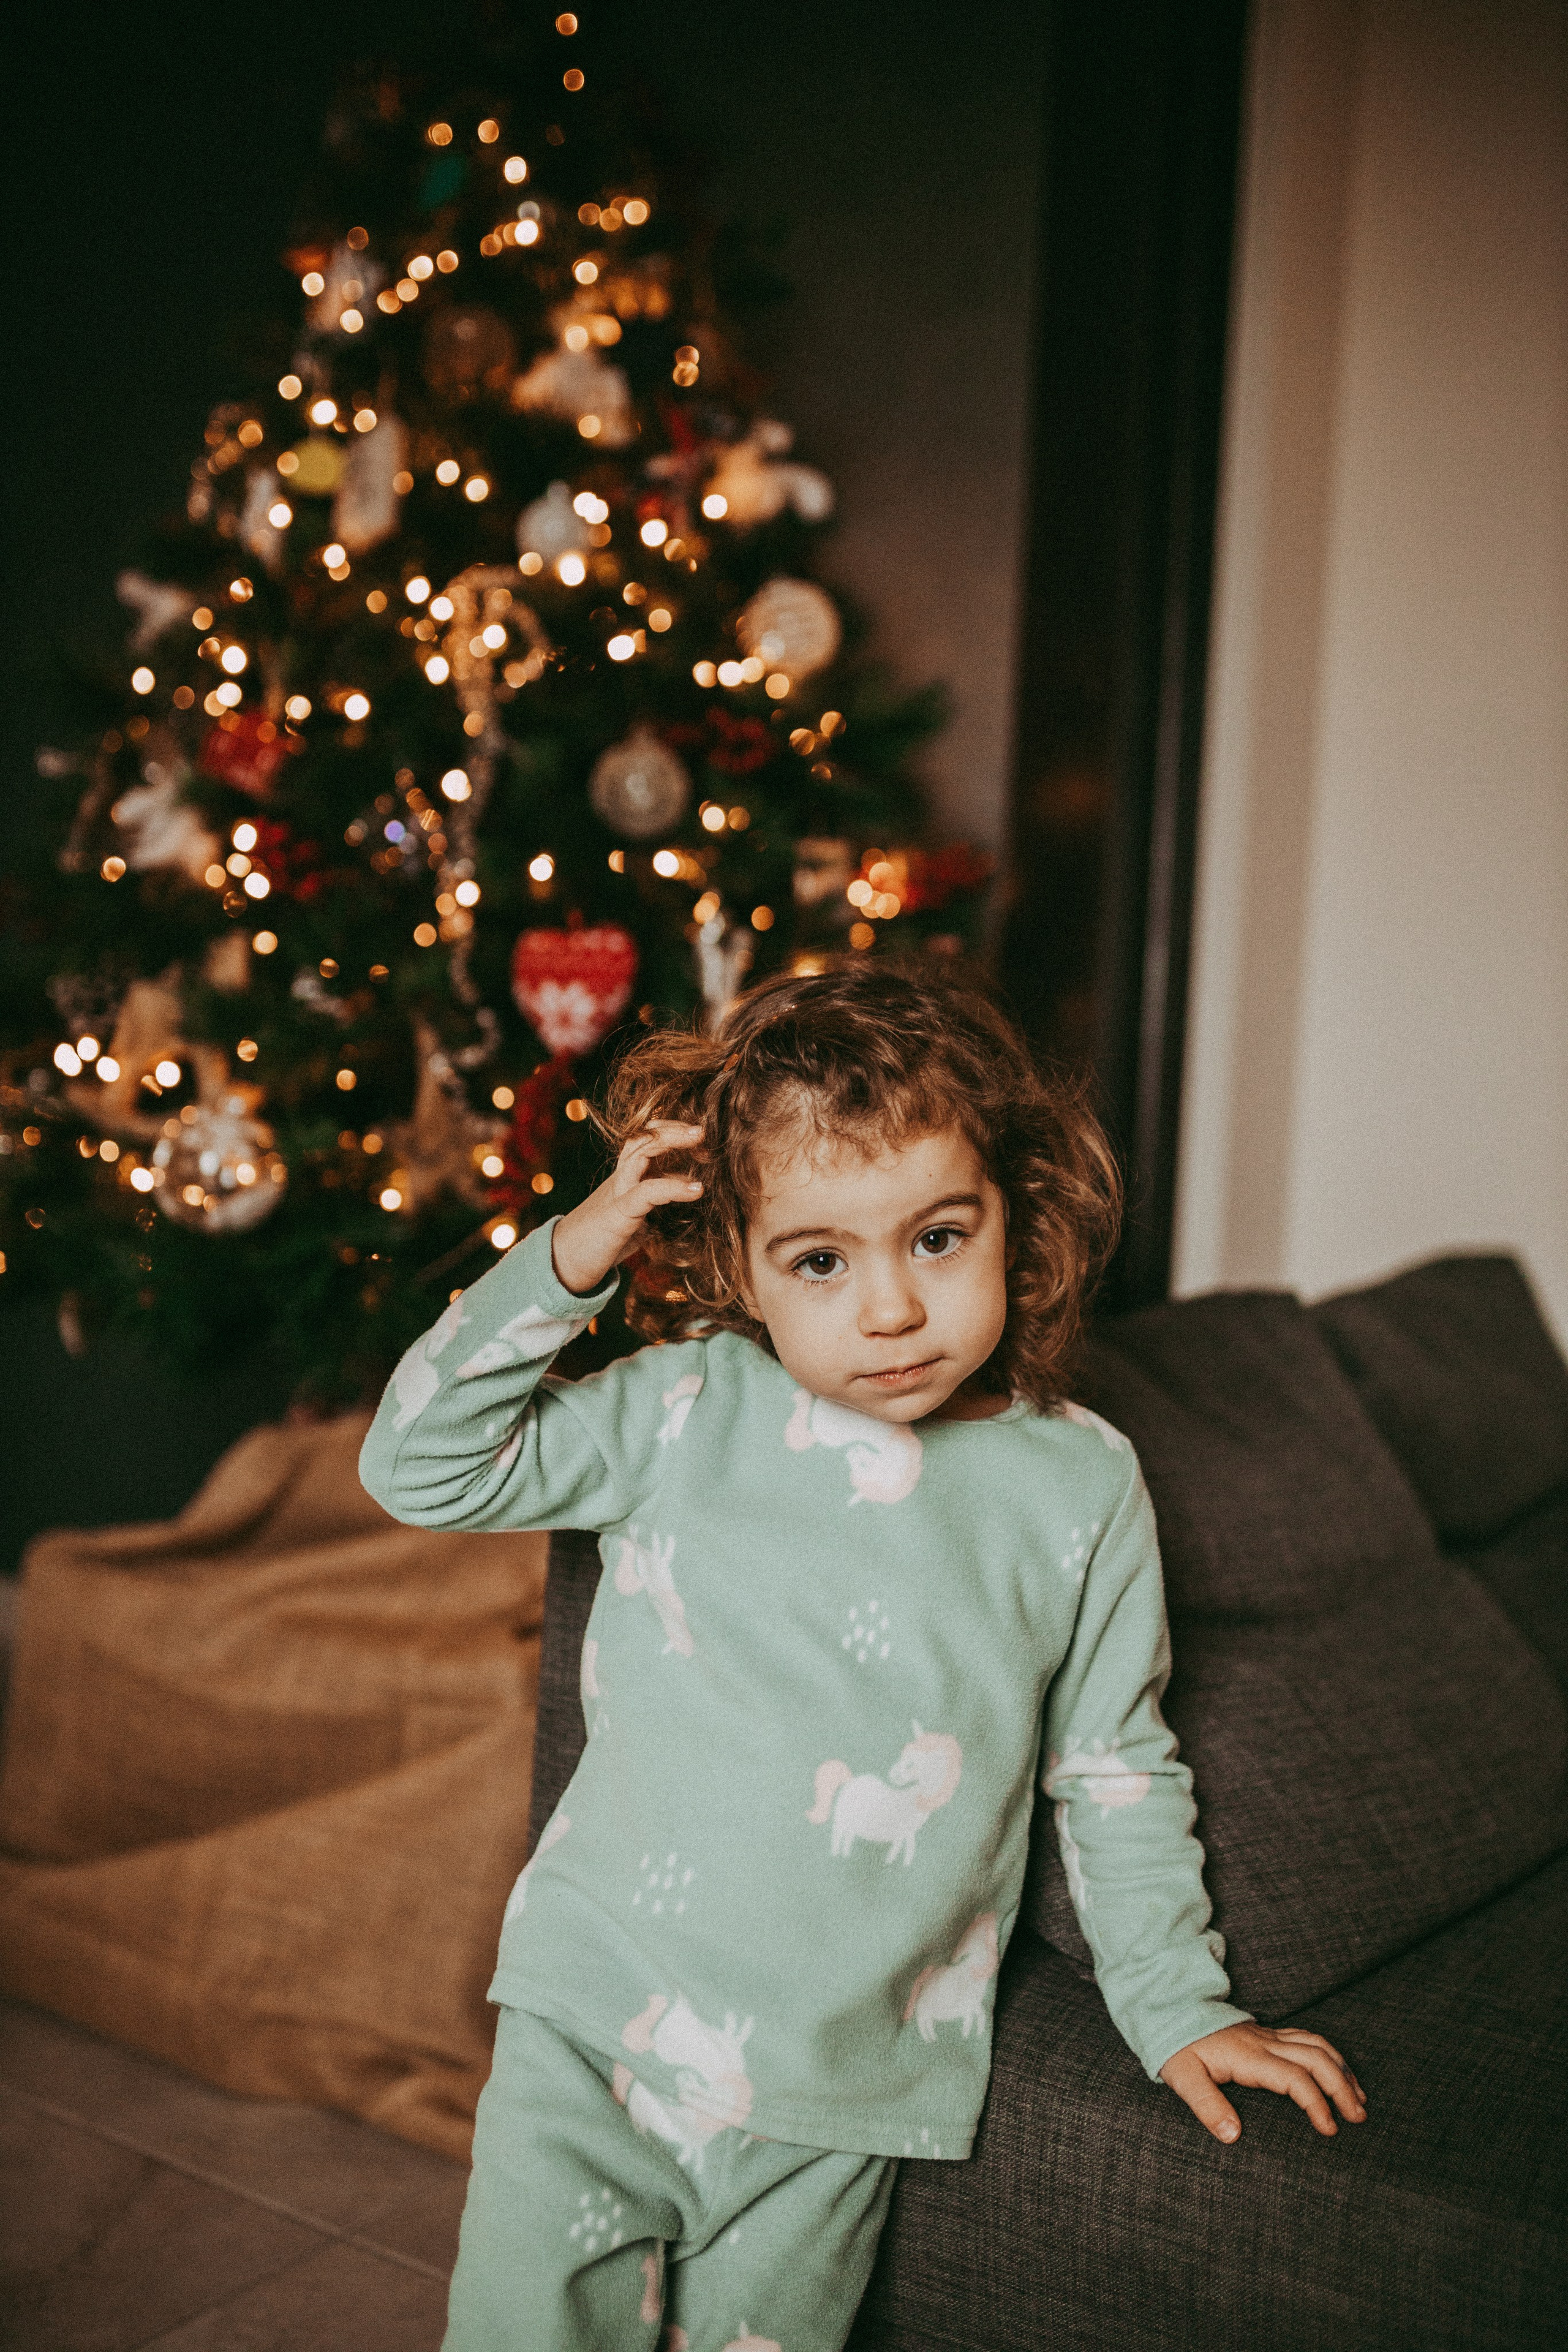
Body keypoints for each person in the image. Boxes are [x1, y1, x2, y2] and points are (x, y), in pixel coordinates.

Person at [360, 963, 1365, 2352]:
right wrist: (576, 1249)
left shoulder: (1077, 1487)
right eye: (820, 1260)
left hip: (848, 2084)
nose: (888, 1308)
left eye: (937, 1238)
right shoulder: (683, 1411)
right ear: (735, 1262)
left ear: (1017, 1213)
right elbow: (419, 1467)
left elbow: (1116, 1766)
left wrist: (1179, 2006)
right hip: (595, 2028)